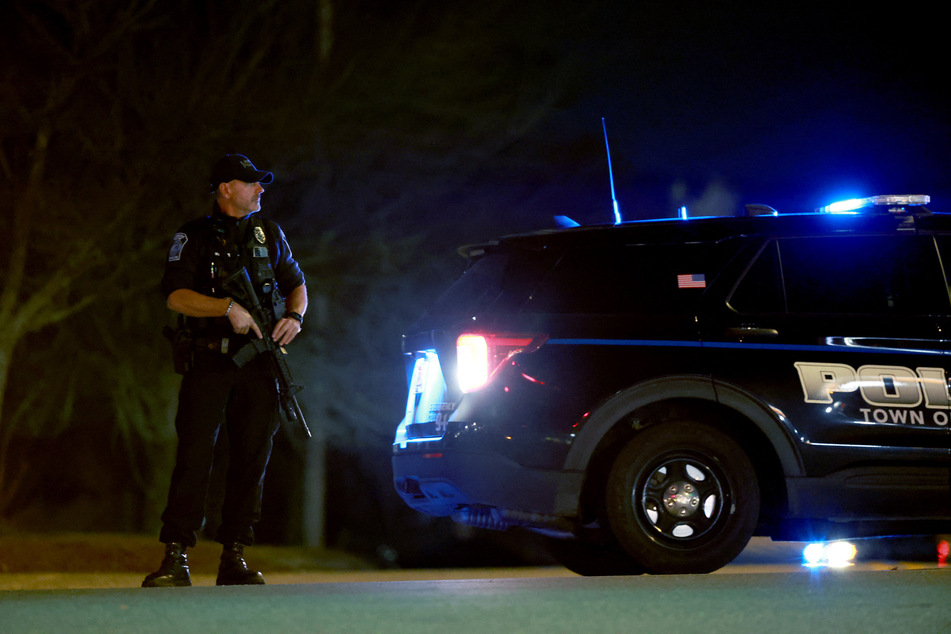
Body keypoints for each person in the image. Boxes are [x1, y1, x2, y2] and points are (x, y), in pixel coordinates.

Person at [143, 154, 307, 587]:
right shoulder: (193, 235)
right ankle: (176, 555)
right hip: (211, 359)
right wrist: (225, 307)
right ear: (225, 188)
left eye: (260, 183)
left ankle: (233, 554)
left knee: (252, 458)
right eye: (250, 182)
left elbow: (296, 283)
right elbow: (175, 296)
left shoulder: (268, 232)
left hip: (261, 362)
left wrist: (295, 317)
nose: (260, 189)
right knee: (195, 456)